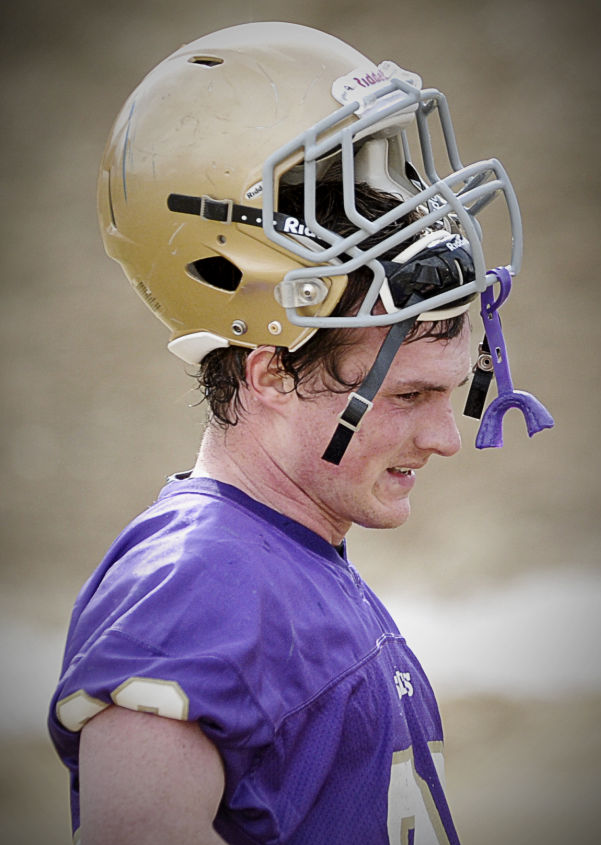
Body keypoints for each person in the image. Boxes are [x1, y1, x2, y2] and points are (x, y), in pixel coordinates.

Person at [48, 21, 552, 845]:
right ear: (271, 373)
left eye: (454, 391)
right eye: (410, 392)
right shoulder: (199, 591)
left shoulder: (281, 560)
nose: (446, 437)